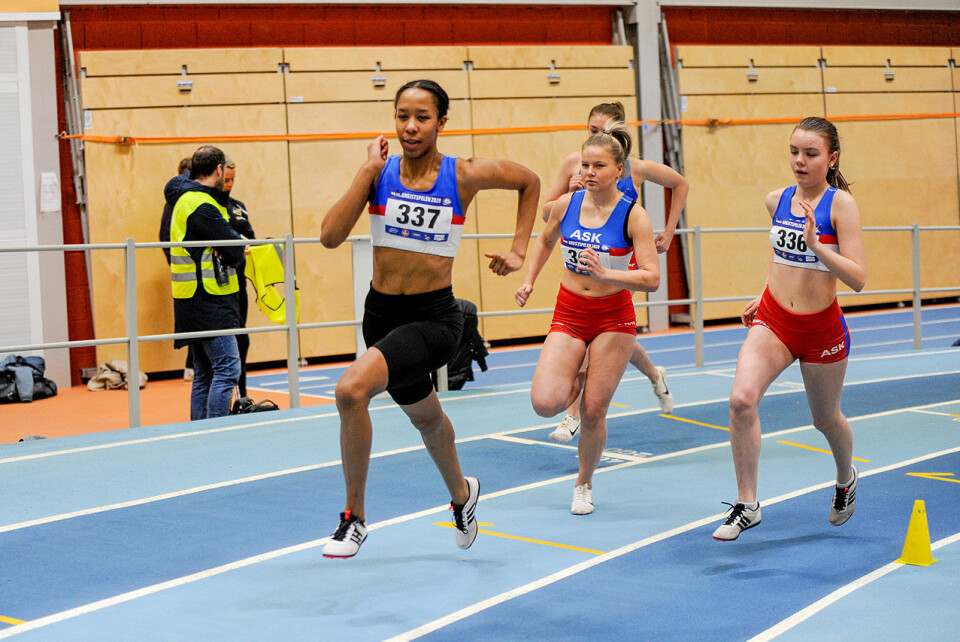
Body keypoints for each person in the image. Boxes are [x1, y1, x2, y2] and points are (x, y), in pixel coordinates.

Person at [319, 79, 539, 558]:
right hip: (380, 316)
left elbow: (529, 181)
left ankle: (353, 518)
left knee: (350, 391)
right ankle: (463, 494)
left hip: (435, 320)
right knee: (427, 419)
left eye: (421, 117)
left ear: (442, 122)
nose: (410, 127)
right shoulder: (380, 173)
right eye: (402, 116)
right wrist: (365, 173)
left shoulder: (463, 174)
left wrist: (521, 249)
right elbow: (330, 236)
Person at [712, 117, 866, 541]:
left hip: (821, 329)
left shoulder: (840, 206)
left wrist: (819, 246)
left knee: (825, 419)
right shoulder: (776, 199)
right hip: (775, 321)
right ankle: (747, 505)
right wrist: (763, 294)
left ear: (831, 159)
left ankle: (844, 476)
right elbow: (780, 256)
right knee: (741, 400)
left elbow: (858, 278)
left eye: (811, 154)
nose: (799, 161)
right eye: (794, 152)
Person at [516, 120, 659, 515]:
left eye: (598, 166)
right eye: (584, 166)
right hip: (570, 312)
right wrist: (529, 281)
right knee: (545, 403)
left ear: (619, 171)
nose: (588, 174)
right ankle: (579, 372)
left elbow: (652, 279)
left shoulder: (634, 216)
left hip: (614, 318)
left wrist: (607, 274)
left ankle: (584, 483)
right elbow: (544, 241)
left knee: (594, 411)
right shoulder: (566, 205)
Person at [542, 102, 689, 442]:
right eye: (593, 130)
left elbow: (680, 184)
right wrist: (571, 194)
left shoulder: (635, 169)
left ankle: (571, 414)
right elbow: (547, 213)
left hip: (622, 264)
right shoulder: (575, 165)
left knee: (599, 337)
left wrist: (669, 230)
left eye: (605, 130)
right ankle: (656, 375)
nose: (598, 135)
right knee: (618, 338)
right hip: (583, 257)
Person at [165, 145, 245, 420]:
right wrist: (236, 247)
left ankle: (198, 432)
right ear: (220, 170)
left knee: (205, 373)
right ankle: (216, 431)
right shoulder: (202, 204)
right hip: (209, 300)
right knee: (228, 369)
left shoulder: (184, 199)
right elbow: (234, 248)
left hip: (191, 298)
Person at [159, 157, 196, 381]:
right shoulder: (176, 201)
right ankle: (193, 365)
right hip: (188, 270)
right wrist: (177, 262)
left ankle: (193, 365)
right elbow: (164, 236)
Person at [222, 157, 255, 399]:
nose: (229, 184)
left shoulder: (238, 206)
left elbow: (249, 237)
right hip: (220, 285)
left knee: (242, 340)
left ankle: (242, 394)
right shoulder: (208, 207)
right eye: (226, 179)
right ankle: (227, 396)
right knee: (226, 345)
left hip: (239, 282)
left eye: (233, 180)